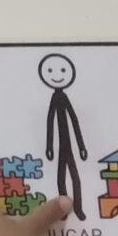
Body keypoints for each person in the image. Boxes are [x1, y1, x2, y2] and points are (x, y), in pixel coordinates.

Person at [39, 55, 88, 221]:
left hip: (69, 147)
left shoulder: (64, 97)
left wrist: (81, 146)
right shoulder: (54, 98)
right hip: (61, 147)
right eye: (50, 71)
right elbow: (50, 120)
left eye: (62, 71)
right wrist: (49, 146)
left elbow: (74, 120)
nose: (57, 75)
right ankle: (63, 211)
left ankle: (78, 208)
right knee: (61, 179)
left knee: (75, 178)